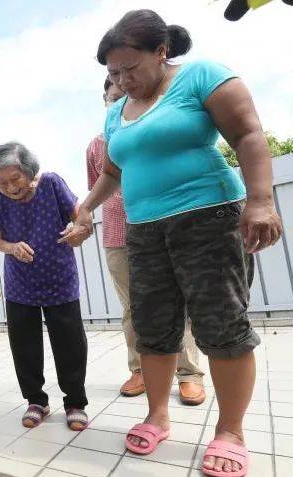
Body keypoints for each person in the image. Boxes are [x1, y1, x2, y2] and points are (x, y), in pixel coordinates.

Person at [62, 10, 282, 476]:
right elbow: (113, 171)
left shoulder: (201, 76)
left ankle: (231, 432)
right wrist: (86, 208)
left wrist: (260, 201)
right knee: (153, 327)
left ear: (161, 52)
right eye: (113, 73)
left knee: (220, 325)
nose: (123, 80)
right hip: (145, 230)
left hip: (208, 218)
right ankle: (156, 416)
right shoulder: (117, 112)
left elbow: (247, 133)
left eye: (130, 68)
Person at [87, 77, 206, 404]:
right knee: (132, 308)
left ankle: (189, 373)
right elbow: (98, 187)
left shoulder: (158, 130)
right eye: (113, 98)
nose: (120, 102)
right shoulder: (96, 146)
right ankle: (139, 370)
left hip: (159, 226)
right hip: (117, 234)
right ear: (106, 102)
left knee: (175, 303)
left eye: (125, 95)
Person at [0, 142, 90, 432]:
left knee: (69, 342)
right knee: (24, 345)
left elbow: (82, 216)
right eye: (1, 182)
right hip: (21, 284)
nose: (9, 187)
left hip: (59, 278)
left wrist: (78, 230)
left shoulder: (52, 184)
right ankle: (36, 401)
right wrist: (12, 247)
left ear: (29, 171)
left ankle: (75, 402)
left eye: (15, 178)